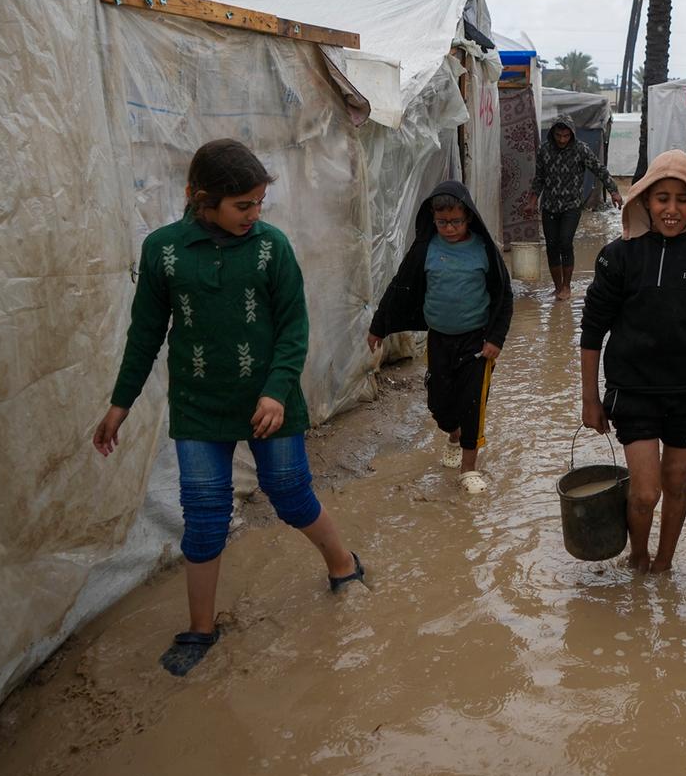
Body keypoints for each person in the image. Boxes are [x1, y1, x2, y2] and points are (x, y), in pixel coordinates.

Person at [93, 138, 364, 678]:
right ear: (200, 198)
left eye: (260, 203)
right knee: (204, 512)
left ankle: (343, 565)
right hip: (198, 403)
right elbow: (146, 332)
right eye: (243, 205)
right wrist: (120, 402)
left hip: (272, 397)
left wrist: (275, 389)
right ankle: (200, 628)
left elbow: (293, 328)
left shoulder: (272, 248)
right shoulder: (163, 251)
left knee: (289, 493)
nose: (254, 214)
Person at [579, 149, 686, 575]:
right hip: (632, 392)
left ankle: (663, 566)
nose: (672, 209)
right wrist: (589, 399)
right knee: (645, 492)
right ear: (644, 200)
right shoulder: (617, 257)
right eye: (662, 198)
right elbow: (592, 331)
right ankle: (637, 557)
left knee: (676, 484)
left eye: (682, 199)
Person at [367, 181, 513, 495]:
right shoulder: (426, 249)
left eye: (455, 221)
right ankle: (454, 434)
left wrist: (495, 340)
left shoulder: (484, 250)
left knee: (473, 403)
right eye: (442, 222)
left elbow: (504, 296)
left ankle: (469, 468)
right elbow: (400, 285)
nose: (448, 228)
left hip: (477, 343)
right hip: (440, 340)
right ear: (433, 219)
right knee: (439, 405)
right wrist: (378, 326)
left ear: (469, 217)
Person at [525, 116, 623, 299]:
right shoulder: (544, 150)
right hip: (549, 206)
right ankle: (557, 286)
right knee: (552, 246)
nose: (562, 140)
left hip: (571, 206)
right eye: (558, 135)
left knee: (565, 242)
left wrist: (614, 191)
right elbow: (539, 178)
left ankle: (566, 287)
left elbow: (599, 169)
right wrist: (531, 201)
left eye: (566, 135)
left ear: (572, 134)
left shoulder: (581, 150)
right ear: (553, 133)